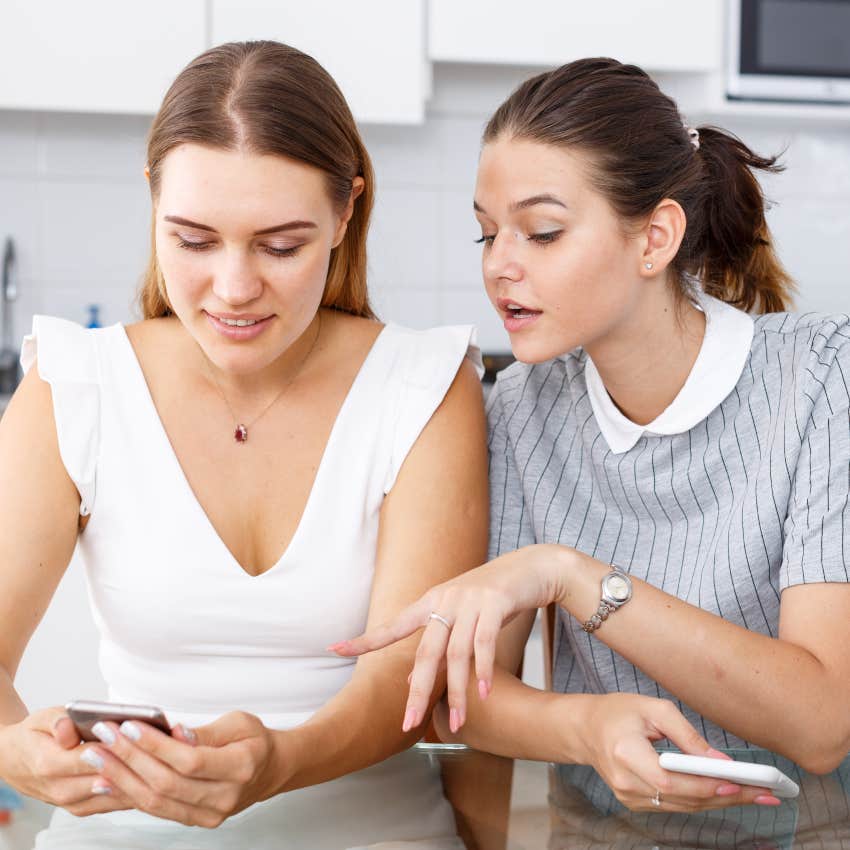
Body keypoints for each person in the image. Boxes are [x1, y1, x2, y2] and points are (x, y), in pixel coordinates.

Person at [0, 41, 487, 845]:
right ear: (152, 200)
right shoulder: (76, 383)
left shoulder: (425, 383)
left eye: (281, 245)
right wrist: (18, 755)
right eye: (192, 240)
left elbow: (406, 683)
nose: (233, 288)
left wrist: (280, 763)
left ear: (345, 213)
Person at [334, 57, 850, 815]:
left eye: (542, 232)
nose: (500, 265)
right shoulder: (519, 408)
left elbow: (821, 722)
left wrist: (572, 576)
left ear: (655, 238)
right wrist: (584, 727)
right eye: (486, 235)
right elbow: (468, 701)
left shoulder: (819, 377)